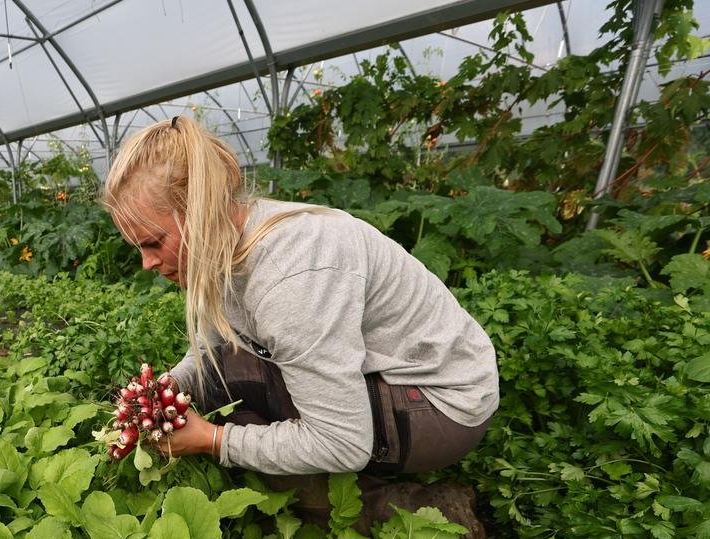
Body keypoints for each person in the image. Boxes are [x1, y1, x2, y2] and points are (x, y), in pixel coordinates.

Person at [101, 116, 499, 515]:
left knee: (249, 421)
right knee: (228, 389)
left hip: (441, 405)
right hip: (395, 381)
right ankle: (326, 484)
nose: (147, 263)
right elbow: (213, 349)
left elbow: (343, 441)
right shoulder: (226, 235)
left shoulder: (290, 274)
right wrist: (161, 393)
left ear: (200, 211)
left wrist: (213, 440)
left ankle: (417, 513)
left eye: (153, 242)